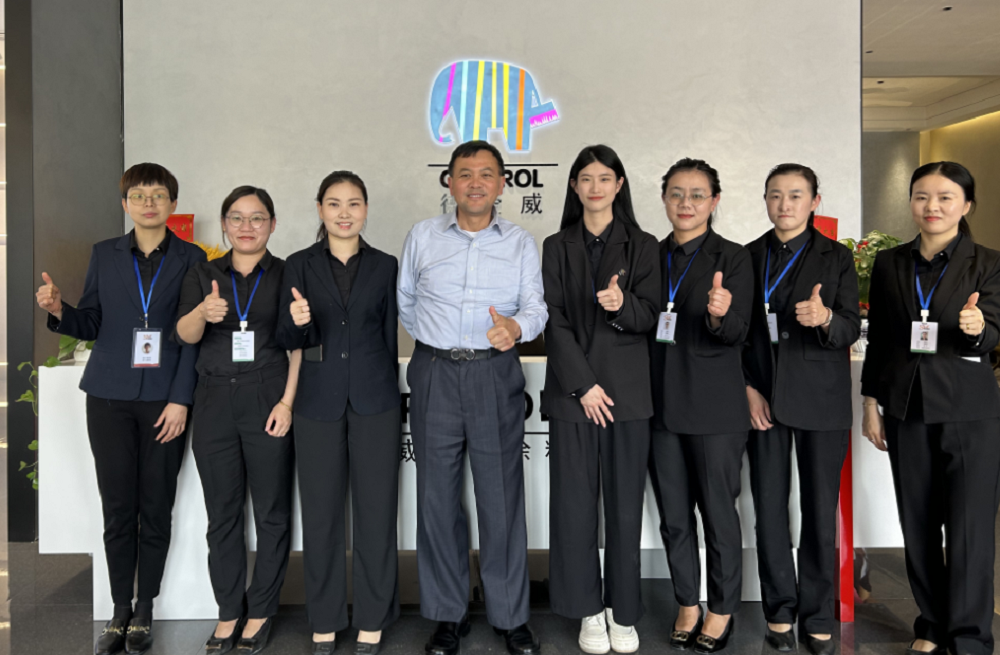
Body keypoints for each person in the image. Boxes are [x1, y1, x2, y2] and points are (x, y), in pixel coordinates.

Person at [36, 163, 206, 655]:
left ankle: (145, 608)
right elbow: (91, 322)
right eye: (139, 195)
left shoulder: (194, 258)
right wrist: (58, 310)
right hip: (109, 397)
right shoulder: (104, 254)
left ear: (173, 203)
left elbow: (194, 337)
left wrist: (181, 399)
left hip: (164, 401)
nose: (148, 203)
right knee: (117, 508)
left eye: (158, 195)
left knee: (156, 505)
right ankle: (118, 610)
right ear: (125, 203)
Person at [398, 140, 548, 655]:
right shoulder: (423, 236)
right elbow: (406, 301)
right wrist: (439, 343)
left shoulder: (520, 243)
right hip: (435, 372)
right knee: (437, 498)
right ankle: (448, 614)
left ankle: (510, 615)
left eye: (486, 174)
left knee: (500, 498)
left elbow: (536, 308)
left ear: (502, 183)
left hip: (493, 373)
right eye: (465, 173)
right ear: (450, 182)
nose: (476, 183)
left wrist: (515, 328)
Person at [862, 162, 1000, 655]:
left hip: (969, 413)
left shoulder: (989, 263)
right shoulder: (890, 263)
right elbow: (881, 339)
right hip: (907, 408)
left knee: (969, 530)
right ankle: (932, 624)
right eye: (922, 196)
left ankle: (970, 638)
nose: (932, 207)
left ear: (966, 205)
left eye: (945, 197)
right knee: (917, 524)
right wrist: (871, 402)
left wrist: (977, 329)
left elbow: (994, 332)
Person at [276, 171, 402, 655]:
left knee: (376, 513)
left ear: (365, 210)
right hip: (317, 400)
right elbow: (289, 339)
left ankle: (372, 618)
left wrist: (386, 387)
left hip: (375, 400)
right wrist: (297, 323)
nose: (344, 213)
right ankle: (325, 619)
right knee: (321, 514)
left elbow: (388, 336)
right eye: (334, 203)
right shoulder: (299, 264)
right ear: (319, 209)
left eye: (353, 204)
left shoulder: (385, 265)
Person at [541, 145, 659, 654]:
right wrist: (583, 385)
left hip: (626, 395)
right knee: (574, 508)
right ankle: (588, 609)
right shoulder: (555, 245)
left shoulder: (644, 244)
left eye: (604, 178)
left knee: (625, 509)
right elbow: (551, 318)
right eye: (585, 178)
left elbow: (651, 315)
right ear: (574, 186)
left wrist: (621, 305)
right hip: (574, 396)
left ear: (619, 185)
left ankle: (622, 612)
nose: (595, 187)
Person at [175, 186, 299, 655]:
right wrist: (201, 312)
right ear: (225, 224)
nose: (247, 227)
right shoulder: (202, 273)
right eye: (237, 218)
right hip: (213, 400)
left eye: (258, 217)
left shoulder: (288, 273)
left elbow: (299, 344)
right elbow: (184, 335)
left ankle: (261, 610)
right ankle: (229, 611)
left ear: (273, 224)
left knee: (271, 512)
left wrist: (287, 403)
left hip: (268, 397)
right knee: (223, 514)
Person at [742, 164, 860, 655]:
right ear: (765, 201)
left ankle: (817, 613)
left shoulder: (837, 257)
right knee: (769, 510)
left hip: (820, 399)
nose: (784, 204)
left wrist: (826, 317)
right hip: (763, 399)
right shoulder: (747, 256)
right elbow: (738, 334)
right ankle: (779, 610)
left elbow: (850, 326)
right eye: (775, 195)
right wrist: (747, 387)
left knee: (818, 511)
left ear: (814, 201)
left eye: (795, 195)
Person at [646, 158, 752, 654]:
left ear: (714, 201)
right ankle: (687, 602)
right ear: (664, 199)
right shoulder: (649, 255)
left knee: (717, 513)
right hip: (659, 407)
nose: (685, 203)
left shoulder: (733, 257)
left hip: (714, 410)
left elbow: (739, 333)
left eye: (696, 194)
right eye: (676, 193)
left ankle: (722, 608)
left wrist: (719, 315)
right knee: (673, 516)